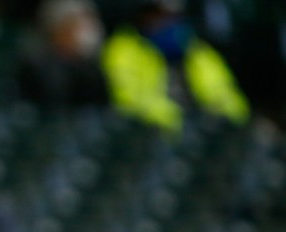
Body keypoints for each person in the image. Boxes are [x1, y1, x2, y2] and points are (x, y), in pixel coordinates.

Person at [100, 0, 249, 136]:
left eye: (174, 17)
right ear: (143, 17)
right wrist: (180, 121)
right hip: (153, 138)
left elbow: (230, 100)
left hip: (206, 139)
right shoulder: (122, 50)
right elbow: (130, 104)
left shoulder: (198, 51)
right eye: (161, 16)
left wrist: (221, 118)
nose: (170, 23)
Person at [16, 0, 109, 115]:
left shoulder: (92, 68)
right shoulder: (35, 65)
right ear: (59, 28)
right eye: (78, 22)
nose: (87, 29)